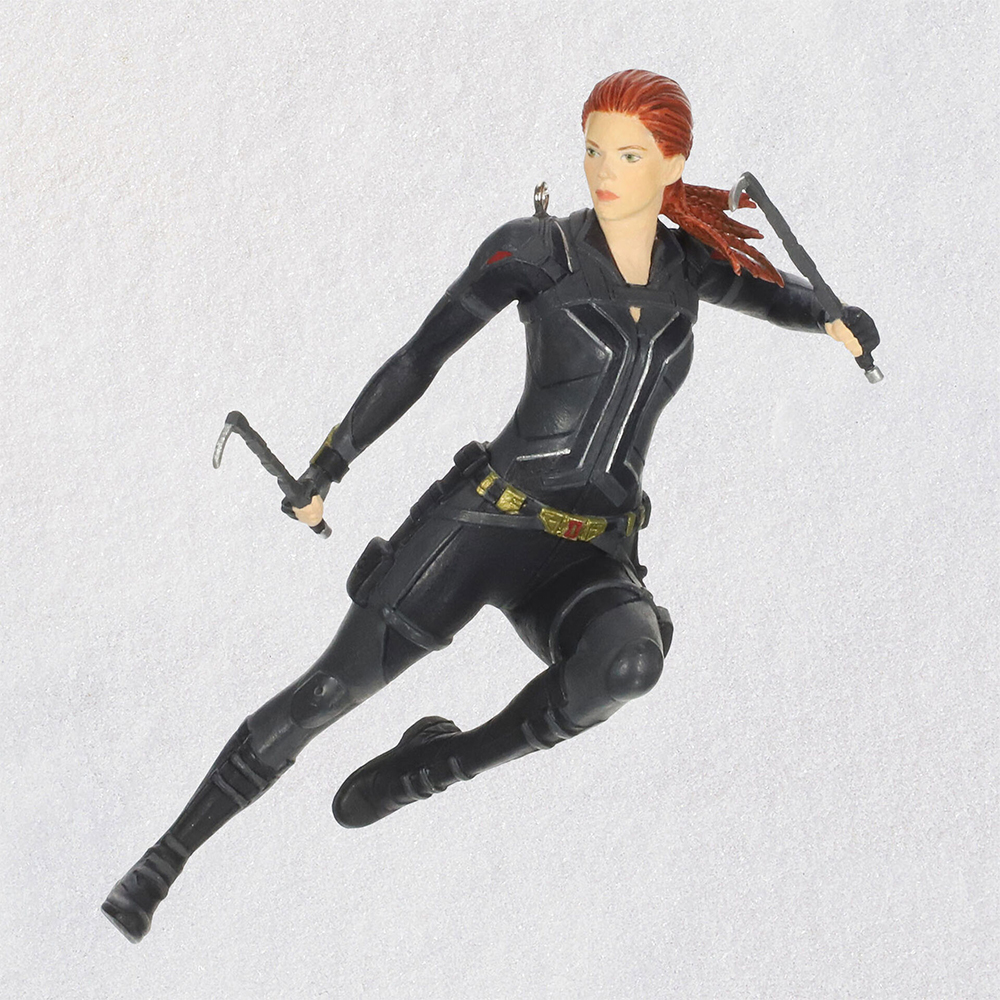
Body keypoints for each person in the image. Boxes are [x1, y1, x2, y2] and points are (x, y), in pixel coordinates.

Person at [101, 69, 879, 942]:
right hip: (485, 522)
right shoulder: (536, 251)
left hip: (591, 548)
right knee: (325, 691)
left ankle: (438, 763)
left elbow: (782, 297)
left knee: (629, 665)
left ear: (672, 164)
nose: (604, 170)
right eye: (593, 149)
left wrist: (837, 319)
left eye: (628, 155)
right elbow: (419, 356)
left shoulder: (692, 265)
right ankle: (162, 861)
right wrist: (329, 466)